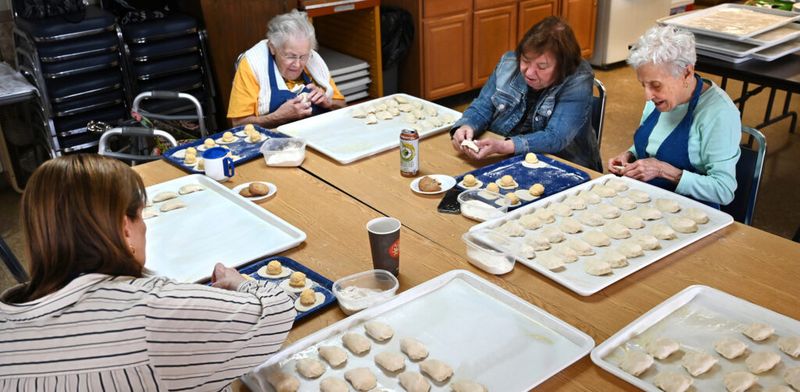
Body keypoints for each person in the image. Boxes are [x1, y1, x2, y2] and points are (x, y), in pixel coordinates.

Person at [0, 155, 296, 391]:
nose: (145, 225)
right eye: (140, 214)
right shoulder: (152, 310)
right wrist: (239, 283)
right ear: (125, 228)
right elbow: (277, 314)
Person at [608, 25, 740, 207]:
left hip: (691, 212)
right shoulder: (659, 99)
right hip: (646, 199)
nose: (647, 96)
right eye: (643, 85)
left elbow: (723, 190)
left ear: (687, 73)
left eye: (656, 85)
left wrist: (665, 171)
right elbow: (653, 142)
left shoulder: (719, 114)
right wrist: (630, 155)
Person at [450, 16, 602, 171]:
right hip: (504, 158)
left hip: (561, 165)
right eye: (525, 60)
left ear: (563, 66)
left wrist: (505, 146)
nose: (529, 72)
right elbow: (482, 106)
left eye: (542, 66)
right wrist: (465, 126)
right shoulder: (509, 63)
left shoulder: (578, 79)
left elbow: (556, 137)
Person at [228, 9, 346, 128]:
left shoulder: (313, 59)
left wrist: (328, 103)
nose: (298, 64)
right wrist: (278, 116)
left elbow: (343, 105)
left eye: (303, 57)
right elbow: (238, 124)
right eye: (291, 56)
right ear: (272, 48)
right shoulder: (253, 63)